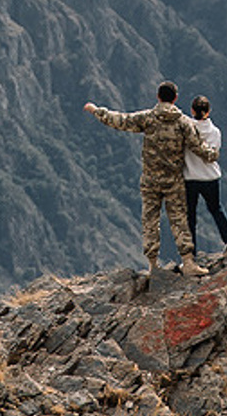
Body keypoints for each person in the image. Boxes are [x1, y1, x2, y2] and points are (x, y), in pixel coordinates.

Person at [84, 82, 204, 277]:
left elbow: (120, 120)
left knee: (150, 220)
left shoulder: (148, 118)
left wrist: (97, 111)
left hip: (151, 180)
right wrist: (212, 155)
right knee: (179, 220)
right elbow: (197, 146)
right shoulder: (183, 122)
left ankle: (153, 264)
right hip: (174, 180)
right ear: (175, 98)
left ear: (158, 97)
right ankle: (188, 262)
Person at [184, 94, 227, 263]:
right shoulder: (215, 132)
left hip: (190, 177)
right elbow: (214, 153)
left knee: (190, 216)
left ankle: (191, 255)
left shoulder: (187, 129)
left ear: (192, 110)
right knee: (216, 209)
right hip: (210, 177)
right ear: (208, 111)